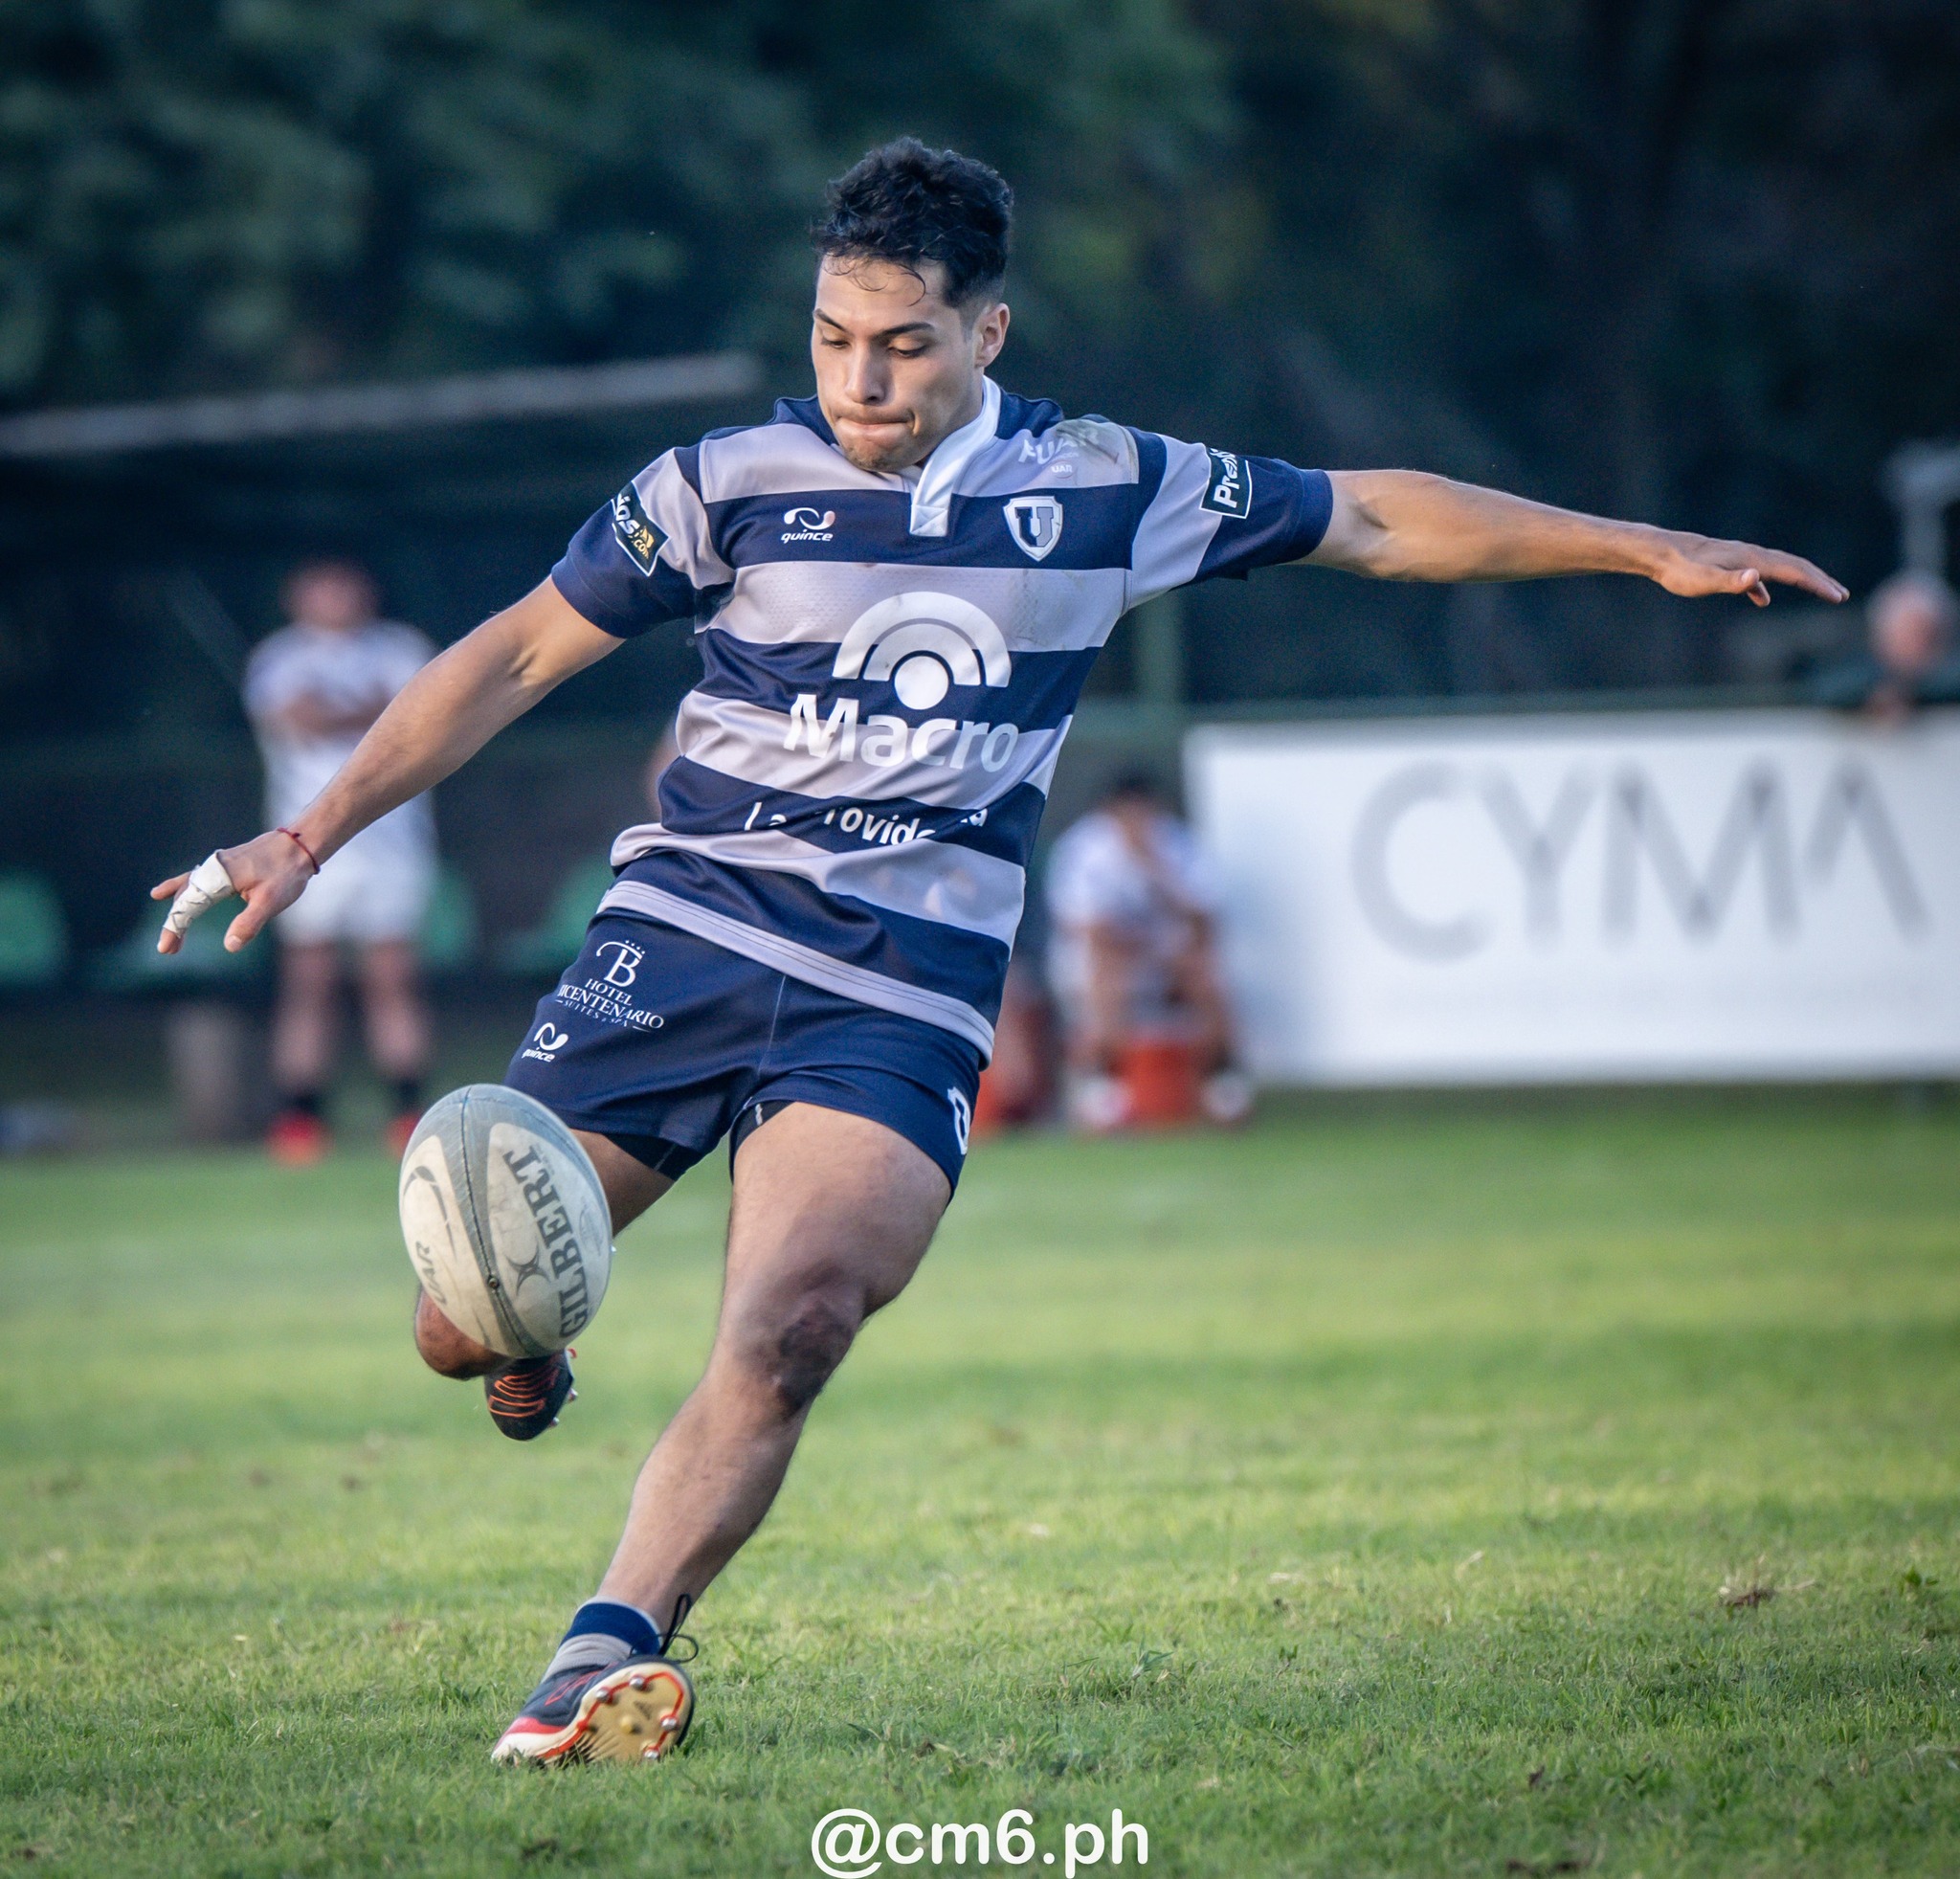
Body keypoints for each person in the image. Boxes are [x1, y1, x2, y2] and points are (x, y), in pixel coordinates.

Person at [154, 139, 1845, 1765]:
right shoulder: (722, 487)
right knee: (457, 1325)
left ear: (987, 331)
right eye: (832, 341)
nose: (860, 380)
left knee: (795, 1317)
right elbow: (519, 654)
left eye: (901, 345)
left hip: (902, 983)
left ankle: (601, 1652)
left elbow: (1377, 520)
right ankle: (526, 1340)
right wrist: (306, 833)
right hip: (681, 939)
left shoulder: (1105, 485)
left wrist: (1640, 545)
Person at [243, 562, 437, 1162]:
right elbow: (299, 720)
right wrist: (367, 713)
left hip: (393, 846)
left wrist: (356, 714)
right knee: (309, 981)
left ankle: (407, 1113)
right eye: (319, 587)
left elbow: (421, 722)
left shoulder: (403, 648)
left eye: (345, 584)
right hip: (304, 846)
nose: (334, 597)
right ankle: (302, 1119)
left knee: (391, 978)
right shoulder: (278, 658)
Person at [1046, 769, 1246, 1129]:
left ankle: (1223, 1087)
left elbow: (1205, 921)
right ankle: (1102, 1091)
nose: (1137, 822)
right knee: (1107, 972)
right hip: (1102, 962)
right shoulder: (1084, 847)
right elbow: (1086, 929)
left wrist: (1154, 868)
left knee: (1202, 971)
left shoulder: (1176, 843)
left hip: (1164, 957)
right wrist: (1140, 945)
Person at [1810, 568, 1960, 722]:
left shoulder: (1950, 684)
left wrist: (1912, 695)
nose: (1915, 645)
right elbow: (1821, 692)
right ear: (1880, 638)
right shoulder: (1851, 679)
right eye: (1905, 636)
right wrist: (1874, 695)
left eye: (1926, 637)